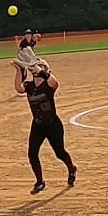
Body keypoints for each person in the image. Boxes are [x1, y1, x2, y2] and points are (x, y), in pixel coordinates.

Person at [14, 38, 76, 193]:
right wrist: (19, 70)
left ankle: (71, 168)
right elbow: (19, 89)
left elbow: (55, 83)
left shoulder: (48, 85)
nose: (37, 66)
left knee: (60, 153)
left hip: (52, 124)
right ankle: (40, 182)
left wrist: (42, 71)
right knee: (32, 154)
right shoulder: (30, 86)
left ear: (46, 70)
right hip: (37, 125)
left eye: (41, 65)